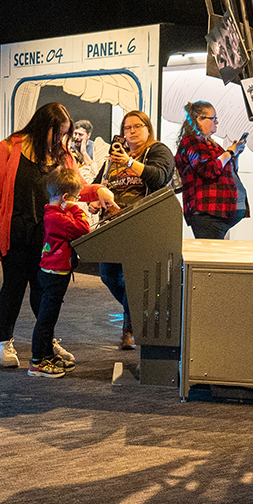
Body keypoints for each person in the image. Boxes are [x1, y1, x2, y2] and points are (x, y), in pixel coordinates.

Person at [0, 102, 77, 369]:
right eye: (56, 133)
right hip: (16, 233)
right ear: (41, 127)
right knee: (13, 287)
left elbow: (76, 188)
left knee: (44, 291)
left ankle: (46, 342)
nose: (60, 139)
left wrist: (98, 196)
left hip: (50, 237)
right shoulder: (8, 149)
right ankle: (5, 343)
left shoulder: (63, 155)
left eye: (63, 134)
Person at [93, 110, 174, 349]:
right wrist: (95, 198)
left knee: (130, 279)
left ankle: (129, 329)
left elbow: (158, 177)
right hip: (112, 225)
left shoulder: (157, 151)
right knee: (108, 276)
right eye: (126, 128)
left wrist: (129, 162)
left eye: (137, 126)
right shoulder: (114, 158)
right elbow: (98, 184)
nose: (131, 132)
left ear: (148, 128)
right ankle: (139, 315)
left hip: (142, 227)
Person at [26, 170, 96, 378]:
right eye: (75, 199)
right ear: (66, 197)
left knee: (49, 317)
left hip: (54, 271)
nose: (76, 203)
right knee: (47, 319)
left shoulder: (53, 214)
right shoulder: (59, 218)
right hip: (55, 274)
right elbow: (83, 228)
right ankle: (38, 361)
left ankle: (47, 354)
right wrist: (75, 208)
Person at [175, 101, 247, 239]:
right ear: (199, 119)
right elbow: (208, 170)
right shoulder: (193, 141)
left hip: (217, 211)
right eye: (213, 118)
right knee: (210, 257)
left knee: (214, 257)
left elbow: (228, 170)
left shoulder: (209, 142)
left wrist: (234, 155)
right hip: (208, 212)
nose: (217, 122)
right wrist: (229, 153)